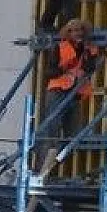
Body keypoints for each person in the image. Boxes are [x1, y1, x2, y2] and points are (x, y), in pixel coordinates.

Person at [42, 19, 101, 161]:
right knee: (52, 130)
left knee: (72, 133)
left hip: (75, 94)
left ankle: (58, 159)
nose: (77, 33)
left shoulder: (88, 49)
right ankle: (46, 162)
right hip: (58, 91)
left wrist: (90, 58)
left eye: (79, 30)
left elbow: (89, 69)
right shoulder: (60, 48)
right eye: (73, 31)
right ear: (68, 33)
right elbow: (49, 72)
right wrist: (66, 70)